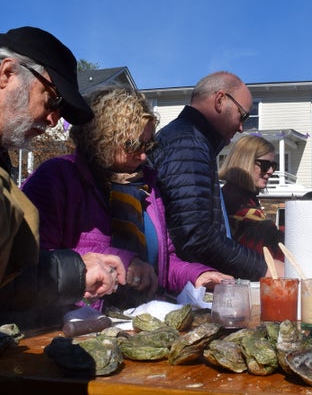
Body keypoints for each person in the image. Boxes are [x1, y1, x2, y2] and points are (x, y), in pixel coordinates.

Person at [0, 27, 125, 340]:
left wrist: (76, 269)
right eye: (52, 100)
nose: (54, 120)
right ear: (7, 73)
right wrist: (75, 271)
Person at [22, 87, 231, 309]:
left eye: (147, 144)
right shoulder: (57, 177)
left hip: (135, 324)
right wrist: (121, 259)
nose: (142, 155)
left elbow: (164, 264)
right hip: (75, 324)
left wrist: (198, 276)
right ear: (102, 139)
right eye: (133, 145)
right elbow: (33, 260)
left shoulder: (147, 187)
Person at [149, 71, 284, 281]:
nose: (241, 128)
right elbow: (196, 235)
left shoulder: (194, 141)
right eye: (243, 116)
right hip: (185, 286)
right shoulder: (188, 144)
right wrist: (263, 268)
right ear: (220, 100)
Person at [219, 134, 285, 260]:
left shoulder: (245, 197)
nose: (271, 171)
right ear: (246, 163)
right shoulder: (235, 202)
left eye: (273, 166)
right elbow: (267, 249)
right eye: (265, 165)